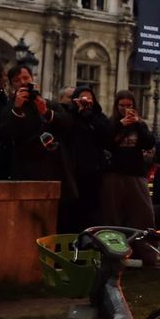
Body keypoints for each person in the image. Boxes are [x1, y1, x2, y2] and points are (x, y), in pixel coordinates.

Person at [1, 64, 78, 233]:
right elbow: (7, 133)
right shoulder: (9, 109)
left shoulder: (49, 104)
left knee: (58, 221)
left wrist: (46, 112)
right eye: (17, 80)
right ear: (12, 85)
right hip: (27, 171)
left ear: (32, 79)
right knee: (29, 223)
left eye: (25, 78)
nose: (22, 82)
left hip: (54, 170)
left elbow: (68, 125)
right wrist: (17, 108)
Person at [101, 90, 159, 228]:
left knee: (143, 212)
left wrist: (138, 124)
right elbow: (104, 142)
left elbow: (149, 143)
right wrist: (120, 125)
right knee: (113, 213)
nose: (126, 109)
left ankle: (143, 244)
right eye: (122, 105)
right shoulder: (110, 123)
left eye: (129, 105)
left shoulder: (139, 125)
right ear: (116, 106)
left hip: (135, 172)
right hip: (114, 173)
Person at [60, 85, 113, 234]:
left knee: (92, 213)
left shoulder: (98, 117)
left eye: (89, 98)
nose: (86, 101)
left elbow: (107, 135)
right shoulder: (70, 115)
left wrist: (89, 115)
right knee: (71, 213)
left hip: (93, 172)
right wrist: (75, 111)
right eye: (82, 97)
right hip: (73, 172)